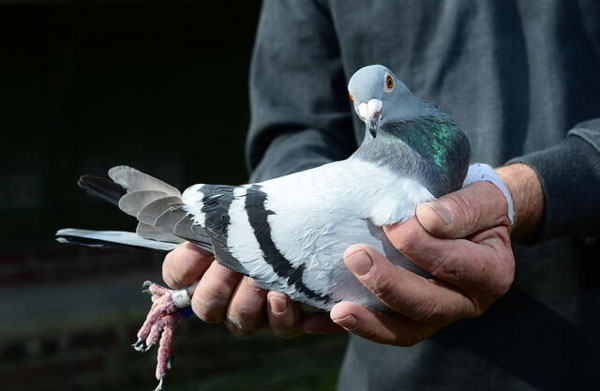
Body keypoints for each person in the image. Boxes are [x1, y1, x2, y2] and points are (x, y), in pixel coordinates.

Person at [162, 1, 600, 389]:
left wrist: (529, 190)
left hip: (584, 334)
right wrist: (299, 234)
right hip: (393, 366)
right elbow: (295, 125)